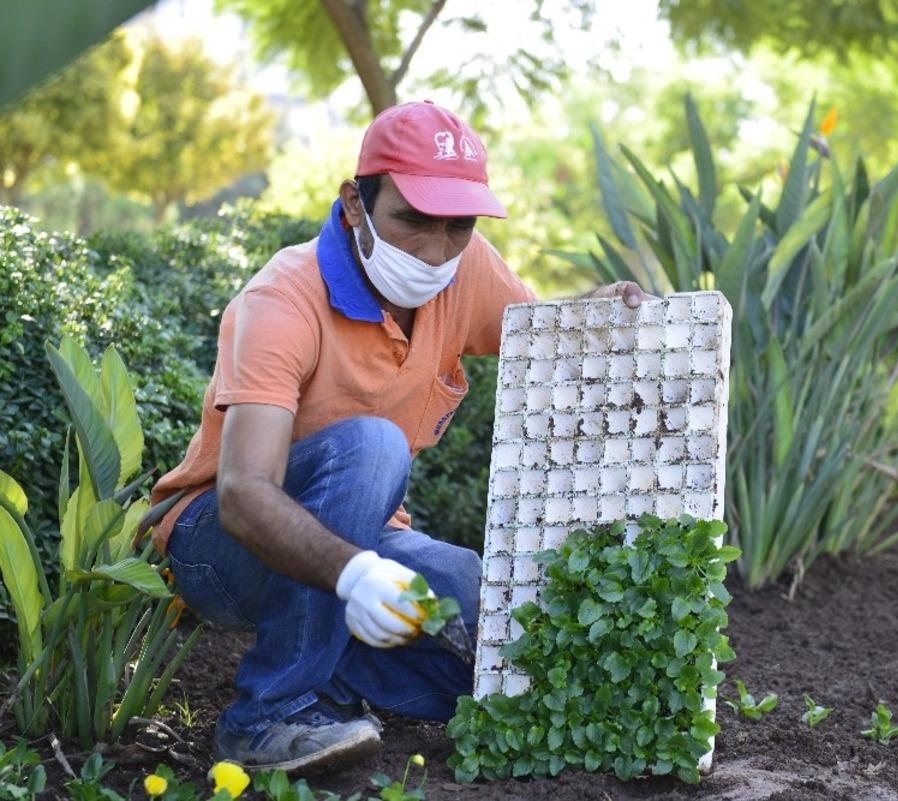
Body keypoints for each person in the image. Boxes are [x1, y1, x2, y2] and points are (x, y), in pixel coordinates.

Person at [145, 101, 647, 774]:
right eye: (411, 219)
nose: (435, 250)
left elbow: (545, 340)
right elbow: (242, 494)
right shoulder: (284, 298)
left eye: (458, 225)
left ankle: (330, 687)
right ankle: (265, 717)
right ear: (356, 202)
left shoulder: (465, 271)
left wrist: (596, 311)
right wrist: (356, 574)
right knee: (372, 447)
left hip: (356, 539)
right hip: (221, 547)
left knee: (475, 600)